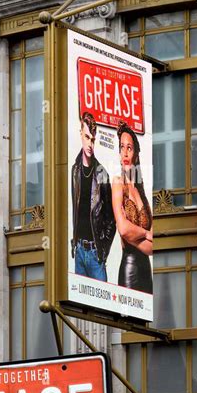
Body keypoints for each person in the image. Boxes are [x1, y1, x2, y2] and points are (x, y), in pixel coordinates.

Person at [71, 112, 115, 280]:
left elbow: (111, 218)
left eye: (93, 139)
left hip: (96, 253)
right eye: (87, 137)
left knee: (103, 305)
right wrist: (75, 245)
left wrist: (103, 251)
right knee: (80, 306)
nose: (90, 143)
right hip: (79, 252)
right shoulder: (75, 171)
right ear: (81, 134)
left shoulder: (102, 174)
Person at [112, 120, 153, 294]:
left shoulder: (141, 191)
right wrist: (145, 233)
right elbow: (123, 230)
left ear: (135, 153)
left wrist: (132, 233)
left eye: (129, 148)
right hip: (129, 270)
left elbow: (153, 248)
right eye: (122, 147)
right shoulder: (117, 183)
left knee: (148, 321)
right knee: (127, 321)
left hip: (147, 272)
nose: (125, 152)